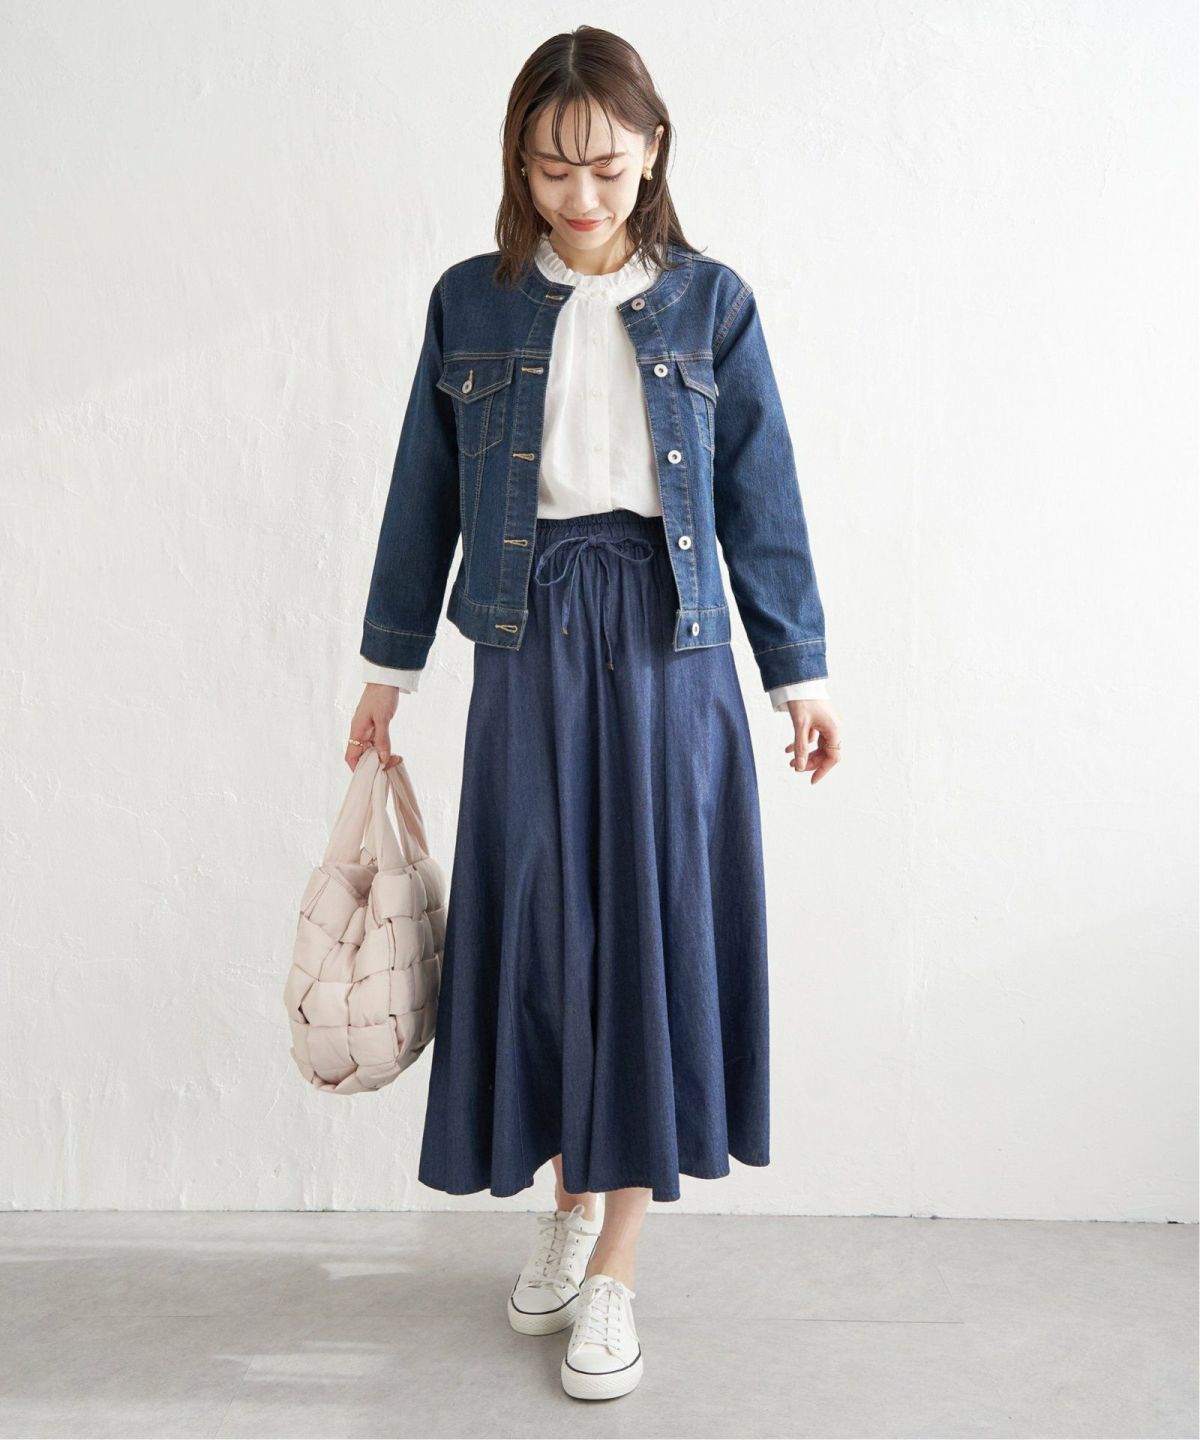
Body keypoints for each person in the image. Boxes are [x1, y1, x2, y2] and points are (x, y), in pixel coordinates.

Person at [346, 26, 842, 1402]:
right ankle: (569, 1199)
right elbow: (420, 497)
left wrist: (799, 675)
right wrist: (387, 673)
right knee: (545, 932)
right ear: (519, 163)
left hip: (669, 650)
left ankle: (616, 1259)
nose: (580, 195)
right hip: (523, 640)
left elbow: (760, 496)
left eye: (607, 169)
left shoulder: (712, 305)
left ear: (653, 154)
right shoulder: (473, 302)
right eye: (553, 167)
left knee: (648, 933)